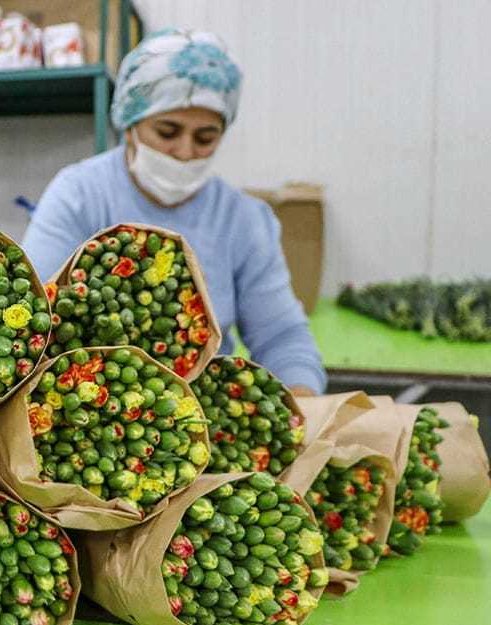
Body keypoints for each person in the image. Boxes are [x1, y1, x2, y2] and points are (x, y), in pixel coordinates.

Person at [23, 28, 325, 395]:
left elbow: (281, 336)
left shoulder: (243, 219)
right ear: (130, 124)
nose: (184, 152)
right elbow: (34, 320)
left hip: (199, 418)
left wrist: (303, 400)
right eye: (167, 131)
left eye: (205, 138)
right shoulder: (79, 194)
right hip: (83, 407)